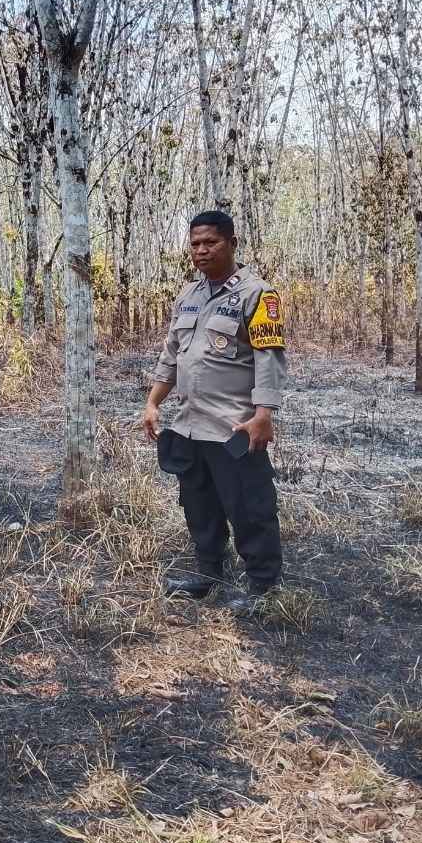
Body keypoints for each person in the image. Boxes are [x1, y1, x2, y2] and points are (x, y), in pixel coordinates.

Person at [141, 210, 288, 615]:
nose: (202, 251)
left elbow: (269, 358)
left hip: (233, 424)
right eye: (195, 244)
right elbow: (171, 354)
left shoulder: (258, 295)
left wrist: (264, 414)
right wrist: (154, 402)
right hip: (190, 425)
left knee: (249, 505)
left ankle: (263, 585)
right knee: (199, 504)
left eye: (211, 242)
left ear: (231, 243)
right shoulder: (189, 295)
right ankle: (209, 574)